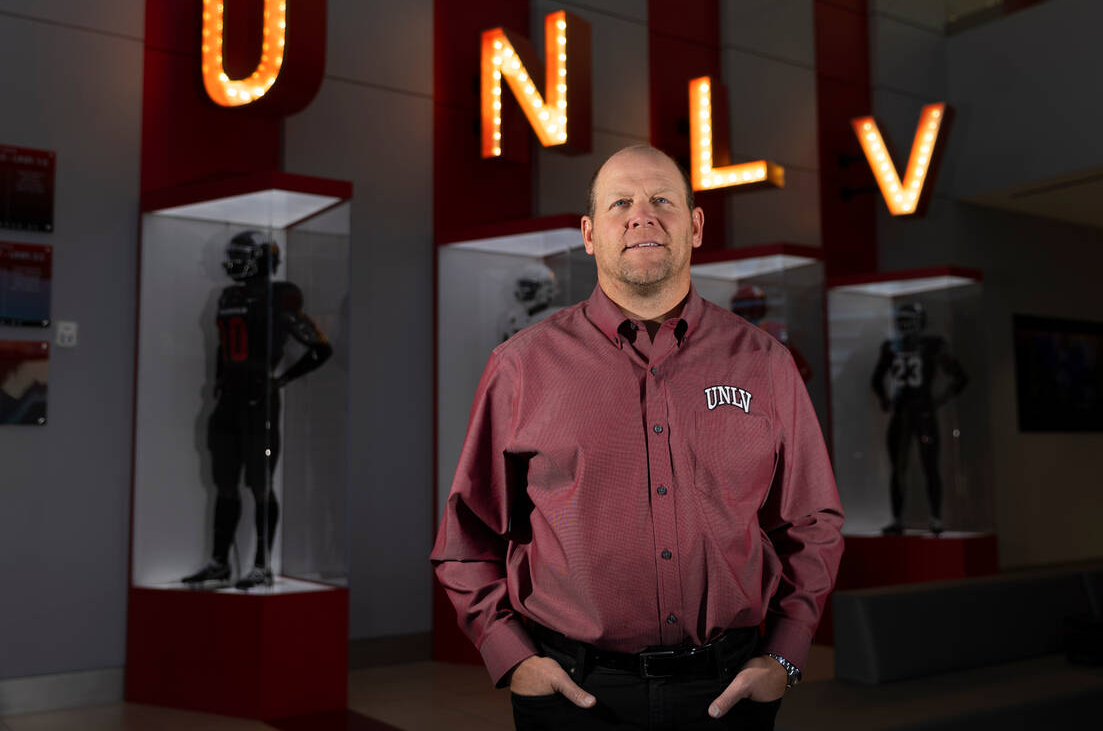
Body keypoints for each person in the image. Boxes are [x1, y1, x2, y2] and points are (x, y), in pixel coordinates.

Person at [431, 146, 844, 729]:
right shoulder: (522, 366)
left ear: (695, 226)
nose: (641, 216)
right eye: (620, 202)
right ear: (590, 234)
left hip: (727, 692)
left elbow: (812, 522)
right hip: (573, 694)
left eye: (662, 201)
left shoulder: (764, 363)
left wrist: (785, 654)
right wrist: (513, 657)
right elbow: (466, 535)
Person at [183, 230, 332, 590]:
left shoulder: (279, 296)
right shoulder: (228, 295)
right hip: (229, 402)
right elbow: (223, 349)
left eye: (242, 254)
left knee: (260, 484)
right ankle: (220, 561)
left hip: (258, 404)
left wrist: (279, 381)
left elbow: (319, 348)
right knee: (225, 485)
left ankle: (262, 564)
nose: (234, 261)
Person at [870, 302, 968, 537]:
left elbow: (960, 376)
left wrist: (937, 400)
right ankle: (903, 518)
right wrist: (886, 399)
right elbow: (876, 379)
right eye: (901, 320)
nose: (904, 326)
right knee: (900, 468)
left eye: (908, 320)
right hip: (908, 412)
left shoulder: (931, 345)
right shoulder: (893, 347)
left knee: (927, 467)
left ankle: (933, 517)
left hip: (920, 412)